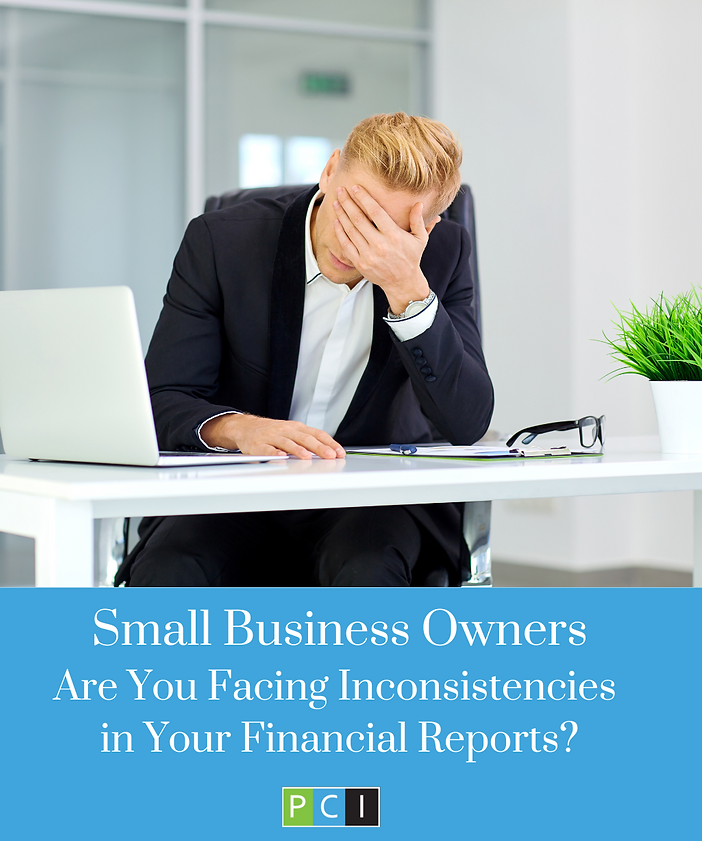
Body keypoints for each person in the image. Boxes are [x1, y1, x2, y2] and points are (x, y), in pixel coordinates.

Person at [122, 112, 493, 587]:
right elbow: (160, 398)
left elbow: (467, 422)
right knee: (171, 571)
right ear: (330, 169)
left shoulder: (444, 255)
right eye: (352, 211)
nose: (355, 244)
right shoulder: (221, 242)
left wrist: (407, 288)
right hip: (235, 490)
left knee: (369, 574)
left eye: (387, 232)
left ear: (430, 227)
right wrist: (237, 428)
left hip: (366, 500)